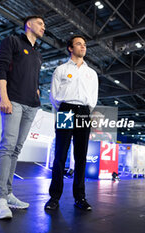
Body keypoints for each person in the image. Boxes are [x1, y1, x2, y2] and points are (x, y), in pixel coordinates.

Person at [0, 15, 45, 219]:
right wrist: (3, 97)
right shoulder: (13, 41)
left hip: (31, 105)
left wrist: (37, 92)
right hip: (12, 99)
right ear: (28, 25)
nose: (43, 27)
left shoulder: (38, 53)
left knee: (16, 149)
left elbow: (33, 77)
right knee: (8, 146)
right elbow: (1, 68)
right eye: (40, 23)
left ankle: (8, 193)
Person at [45, 35, 99, 211]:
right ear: (70, 48)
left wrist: (86, 110)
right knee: (60, 154)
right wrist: (64, 109)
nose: (83, 47)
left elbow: (93, 97)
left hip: (84, 111)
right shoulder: (60, 70)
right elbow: (53, 96)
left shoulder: (91, 73)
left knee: (81, 156)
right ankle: (54, 197)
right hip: (65, 109)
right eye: (78, 44)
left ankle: (80, 197)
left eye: (84, 44)